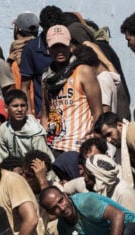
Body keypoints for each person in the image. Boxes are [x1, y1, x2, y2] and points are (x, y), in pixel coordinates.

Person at [40, 25, 102, 180]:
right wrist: (44, 140)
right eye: (55, 47)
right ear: (48, 49)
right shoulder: (47, 77)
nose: (59, 51)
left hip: (78, 147)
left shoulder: (83, 71)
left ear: (71, 46)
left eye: (63, 46)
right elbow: (45, 113)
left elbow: (98, 112)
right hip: (54, 146)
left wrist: (93, 143)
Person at [0, 87, 50, 161]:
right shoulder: (3, 129)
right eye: (15, 106)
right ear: (6, 108)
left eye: (23, 106)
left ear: (27, 107)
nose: (19, 110)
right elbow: (3, 158)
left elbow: (42, 161)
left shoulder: (35, 130)